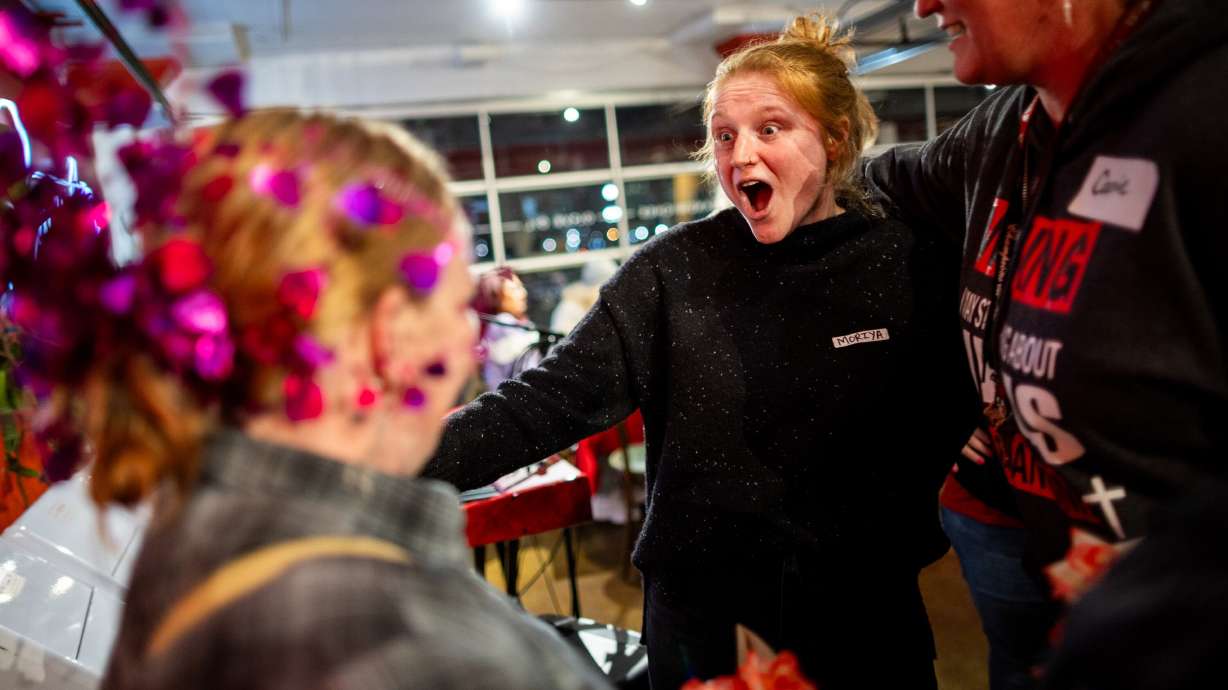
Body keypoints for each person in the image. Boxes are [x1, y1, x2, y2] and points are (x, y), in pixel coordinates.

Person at [424, 15, 975, 690]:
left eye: (770, 128)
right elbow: (541, 403)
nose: (741, 155)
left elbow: (965, 397)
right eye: (724, 135)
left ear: (834, 137)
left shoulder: (901, 258)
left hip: (863, 620)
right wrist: (388, 459)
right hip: (703, 628)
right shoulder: (672, 271)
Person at [7, 109, 612, 690]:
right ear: (387, 335)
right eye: (457, 307)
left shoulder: (186, 528)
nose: (468, 341)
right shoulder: (428, 652)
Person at [862, 0, 1228, 687]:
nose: (921, 6)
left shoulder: (1205, 107)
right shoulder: (1007, 123)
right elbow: (897, 174)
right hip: (1005, 518)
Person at [474, 266, 543, 391]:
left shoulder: (517, 323)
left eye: (521, 287)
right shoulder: (502, 322)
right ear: (497, 296)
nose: (523, 293)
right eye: (514, 289)